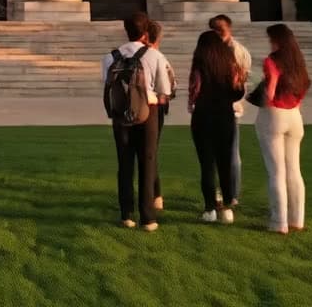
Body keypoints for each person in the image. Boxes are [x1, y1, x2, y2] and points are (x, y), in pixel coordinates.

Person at [101, 12, 173, 232]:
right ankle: (147, 217)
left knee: (124, 163)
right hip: (147, 113)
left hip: (120, 115)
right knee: (147, 162)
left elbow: (107, 84)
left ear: (126, 30)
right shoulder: (154, 56)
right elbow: (165, 91)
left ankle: (126, 214)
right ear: (145, 33)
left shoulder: (110, 57)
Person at [256, 24, 311, 234]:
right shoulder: (298, 62)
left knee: (276, 172)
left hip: (274, 115)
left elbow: (270, 93)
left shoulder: (272, 60)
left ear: (276, 40)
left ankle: (279, 221)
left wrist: (257, 93)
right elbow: (305, 86)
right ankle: (297, 218)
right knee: (294, 170)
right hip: (295, 114)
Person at [187, 31, 246, 224]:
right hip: (224, 116)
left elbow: (193, 93)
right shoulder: (230, 65)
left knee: (207, 165)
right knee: (225, 163)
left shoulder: (199, 66)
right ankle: (228, 208)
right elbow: (237, 93)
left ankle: (209, 208)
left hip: (203, 116)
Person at [209, 14, 252, 207]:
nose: (218, 34)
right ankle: (225, 192)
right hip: (217, 107)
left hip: (228, 107)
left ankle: (231, 193)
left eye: (221, 30)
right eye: (215, 31)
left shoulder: (237, 52)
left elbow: (240, 83)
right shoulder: (213, 50)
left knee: (231, 154)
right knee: (219, 153)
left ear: (228, 30)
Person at [147, 20, 176, 212]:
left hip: (129, 109)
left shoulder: (125, 54)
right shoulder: (159, 58)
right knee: (150, 154)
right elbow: (170, 89)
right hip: (154, 109)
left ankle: (152, 195)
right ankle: (154, 195)